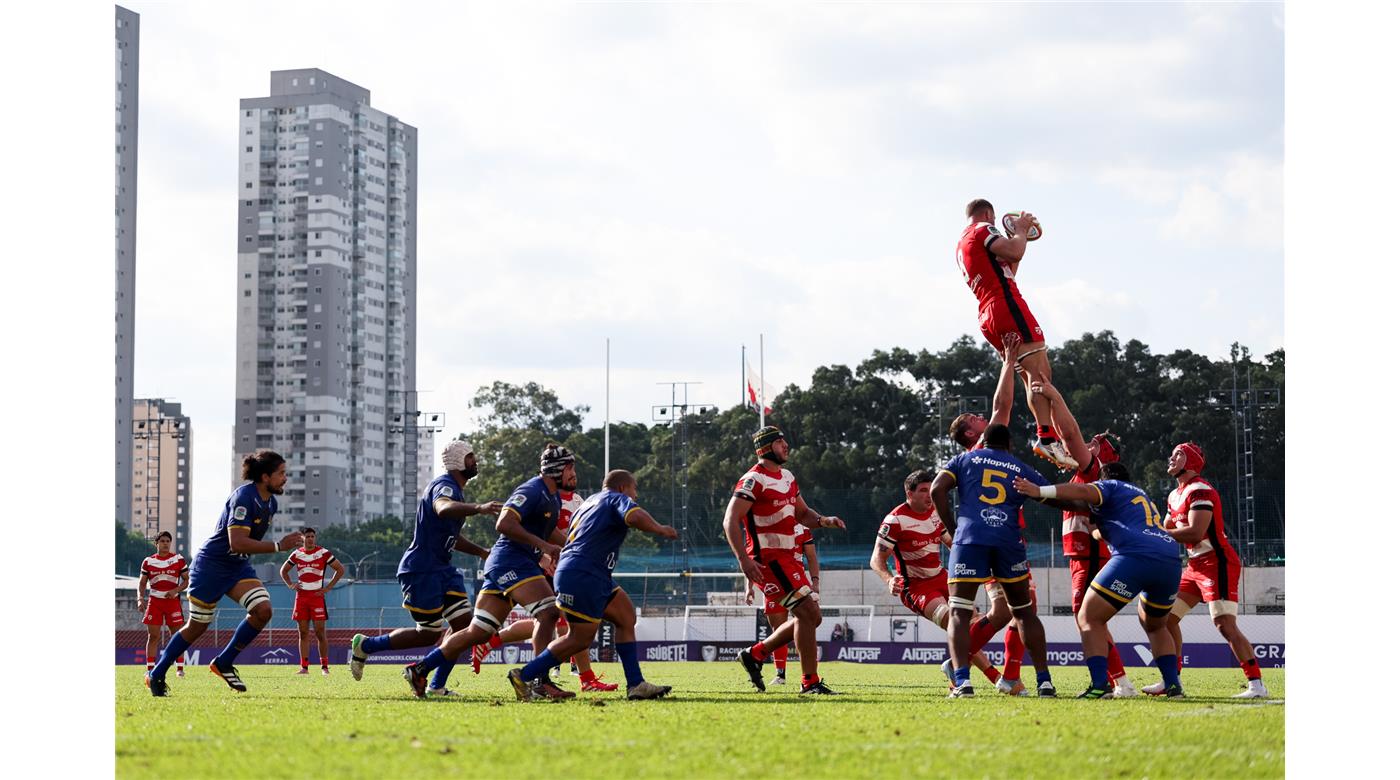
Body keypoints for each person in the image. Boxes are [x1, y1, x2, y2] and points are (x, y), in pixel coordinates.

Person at [402, 444, 576, 700]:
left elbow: (547, 530)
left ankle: (420, 669)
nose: (574, 474)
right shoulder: (532, 490)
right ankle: (539, 681)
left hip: (507, 564)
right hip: (511, 562)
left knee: (479, 632)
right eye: (570, 468)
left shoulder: (552, 496)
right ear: (556, 470)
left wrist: (573, 546)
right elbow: (504, 523)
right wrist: (543, 546)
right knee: (549, 612)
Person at [1013, 461, 1185, 698]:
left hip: (1136, 556)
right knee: (1156, 625)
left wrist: (1039, 491)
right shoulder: (1140, 497)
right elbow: (1107, 529)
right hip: (1170, 558)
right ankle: (1173, 685)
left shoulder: (1110, 486)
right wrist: (1095, 530)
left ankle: (1099, 685)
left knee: (1088, 616)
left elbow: (1084, 492)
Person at [507, 469, 678, 701]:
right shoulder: (616, 498)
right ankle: (524, 675)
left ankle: (636, 684)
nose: (635, 495)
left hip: (589, 573)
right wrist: (660, 529)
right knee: (578, 638)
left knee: (626, 616)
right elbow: (633, 515)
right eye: (634, 489)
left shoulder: (587, 502)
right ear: (622, 487)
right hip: (584, 573)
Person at [347, 440, 501, 696]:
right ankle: (366, 645)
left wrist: (482, 552)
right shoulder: (445, 486)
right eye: (471, 456)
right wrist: (479, 508)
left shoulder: (456, 490)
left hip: (443, 569)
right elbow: (442, 508)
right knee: (428, 634)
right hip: (421, 569)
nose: (475, 460)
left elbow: (452, 537)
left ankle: (436, 685)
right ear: (458, 461)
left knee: (465, 628)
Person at [145, 450, 303, 696]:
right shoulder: (244, 497)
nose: (285, 478)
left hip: (236, 566)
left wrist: (277, 546)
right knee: (197, 626)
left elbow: (242, 547)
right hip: (211, 566)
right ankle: (156, 673)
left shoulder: (271, 503)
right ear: (265, 476)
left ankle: (224, 661)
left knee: (263, 610)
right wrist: (278, 546)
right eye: (281, 473)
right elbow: (236, 543)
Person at [930, 423, 1057, 697]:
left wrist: (954, 529)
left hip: (971, 540)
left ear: (983, 440)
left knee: (962, 612)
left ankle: (963, 680)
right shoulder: (1017, 465)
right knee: (1022, 611)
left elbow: (936, 489)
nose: (980, 418)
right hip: (1007, 541)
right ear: (1008, 444)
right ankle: (1044, 681)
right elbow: (1050, 493)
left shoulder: (964, 460)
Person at [1029, 381, 1137, 697]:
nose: (1087, 444)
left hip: (1089, 551)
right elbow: (1068, 438)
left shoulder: (1094, 471)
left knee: (1086, 616)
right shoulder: (1086, 472)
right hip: (1084, 553)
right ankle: (1120, 681)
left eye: (1096, 443)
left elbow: (1070, 435)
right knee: (1089, 617)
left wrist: (1054, 395)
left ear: (1104, 454)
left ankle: (1114, 682)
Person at [955, 198, 1077, 470]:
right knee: (1041, 372)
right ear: (989, 214)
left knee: (1028, 374)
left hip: (988, 313)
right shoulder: (983, 229)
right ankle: (1046, 436)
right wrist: (1020, 230)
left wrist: (1016, 239)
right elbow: (1015, 251)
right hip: (1004, 303)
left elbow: (1008, 266)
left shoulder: (962, 243)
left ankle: (1047, 435)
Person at [724, 426, 846, 695]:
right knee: (808, 613)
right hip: (768, 560)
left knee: (811, 617)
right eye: (780, 442)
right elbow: (730, 520)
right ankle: (809, 681)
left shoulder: (788, 477)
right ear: (765, 448)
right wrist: (744, 561)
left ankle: (756, 654)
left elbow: (803, 513)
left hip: (788, 559)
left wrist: (824, 521)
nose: (787, 446)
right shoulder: (752, 480)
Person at [945, 332, 1034, 695]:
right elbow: (1002, 408)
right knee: (1020, 607)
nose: (982, 418)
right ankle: (1003, 676)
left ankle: (969, 666)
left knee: (1002, 612)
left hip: (993, 535)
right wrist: (1007, 363)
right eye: (973, 418)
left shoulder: (978, 456)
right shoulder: (981, 449)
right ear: (970, 433)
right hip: (993, 537)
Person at [1147, 442, 1269, 699]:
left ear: (1190, 462)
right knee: (1166, 619)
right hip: (1194, 565)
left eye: (1178, 454)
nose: (1171, 457)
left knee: (1224, 624)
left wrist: (1156, 533)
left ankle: (1257, 684)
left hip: (1218, 562)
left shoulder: (1200, 489)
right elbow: (1166, 528)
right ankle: (1173, 680)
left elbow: (1195, 531)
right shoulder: (1174, 495)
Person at [471, 484, 619, 692]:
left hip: (567, 563)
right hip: (553, 567)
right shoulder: (544, 497)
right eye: (568, 468)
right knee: (567, 621)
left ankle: (494, 640)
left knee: (563, 622)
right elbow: (539, 531)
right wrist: (543, 557)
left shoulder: (576, 499)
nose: (572, 474)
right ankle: (581, 678)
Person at [870, 470, 1003, 690]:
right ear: (908, 493)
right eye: (922, 491)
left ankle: (957, 676)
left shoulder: (935, 513)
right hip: (915, 587)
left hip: (942, 577)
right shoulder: (895, 520)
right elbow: (876, 558)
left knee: (974, 622)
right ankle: (994, 677)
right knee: (954, 621)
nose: (928, 495)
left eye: (929, 490)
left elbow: (953, 543)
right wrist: (889, 579)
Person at [745, 527, 820, 686]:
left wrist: (815, 581)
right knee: (789, 622)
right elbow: (751, 556)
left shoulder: (802, 529)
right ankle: (783, 674)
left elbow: (812, 556)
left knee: (812, 618)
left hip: (796, 578)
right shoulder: (767, 522)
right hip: (776, 576)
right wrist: (748, 587)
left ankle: (755, 654)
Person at [280, 527, 345, 675]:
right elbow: (283, 571)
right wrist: (291, 584)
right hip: (301, 597)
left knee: (320, 632)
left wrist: (328, 588)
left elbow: (340, 569)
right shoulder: (297, 554)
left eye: (312, 536)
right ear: (302, 538)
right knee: (303, 633)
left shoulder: (323, 553)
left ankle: (324, 667)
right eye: (307, 536)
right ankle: (304, 667)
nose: (310, 539)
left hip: (317, 598)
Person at [138, 531, 187, 678]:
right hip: (155, 602)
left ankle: (179, 669)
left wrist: (175, 590)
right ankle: (150, 670)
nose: (165, 543)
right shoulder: (148, 561)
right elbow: (141, 583)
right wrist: (140, 599)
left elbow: (186, 581)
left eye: (168, 541)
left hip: (173, 602)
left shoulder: (178, 559)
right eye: (162, 541)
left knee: (176, 636)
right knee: (153, 636)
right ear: (156, 543)